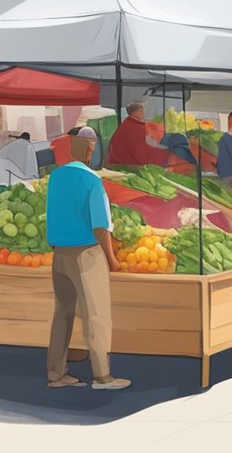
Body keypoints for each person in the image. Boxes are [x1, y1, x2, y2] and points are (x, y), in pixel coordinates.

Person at [44, 127, 129, 390]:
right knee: (97, 315)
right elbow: (100, 226)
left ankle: (56, 375)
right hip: (86, 254)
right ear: (89, 149)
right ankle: (103, 376)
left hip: (59, 255)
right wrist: (112, 260)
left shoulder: (56, 177)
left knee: (63, 313)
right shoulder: (92, 181)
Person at [106, 102, 171, 167]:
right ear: (136, 112)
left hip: (120, 164)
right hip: (137, 165)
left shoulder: (124, 125)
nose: (144, 113)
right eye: (142, 110)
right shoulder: (139, 127)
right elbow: (151, 145)